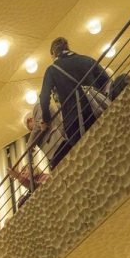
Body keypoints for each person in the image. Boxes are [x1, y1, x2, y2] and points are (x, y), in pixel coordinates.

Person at [39, 37, 110, 168]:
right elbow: (105, 79)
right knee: (108, 146)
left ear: (53, 54)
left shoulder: (52, 70)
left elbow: (44, 98)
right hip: (98, 110)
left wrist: (46, 120)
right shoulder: (86, 59)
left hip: (74, 121)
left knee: (88, 160)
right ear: (68, 47)